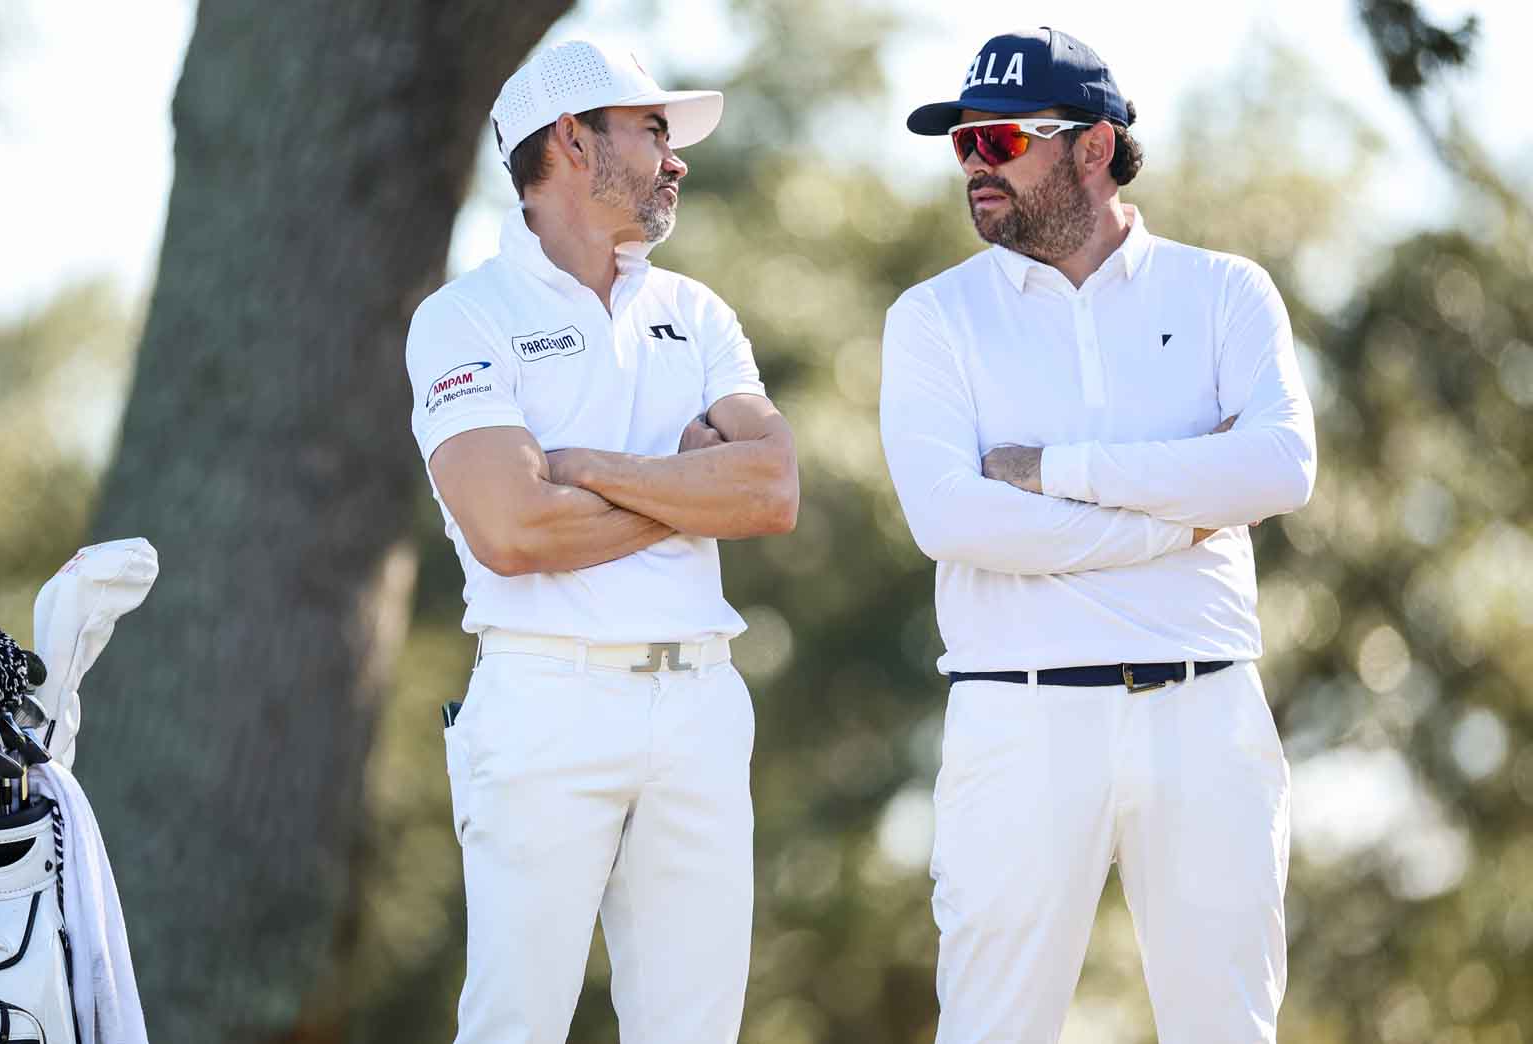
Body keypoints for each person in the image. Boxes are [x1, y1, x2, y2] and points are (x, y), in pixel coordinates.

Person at [879, 27, 1317, 1043]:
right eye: (962, 144)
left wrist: (1058, 472)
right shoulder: (931, 317)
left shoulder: (1224, 290)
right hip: (1015, 721)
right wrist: (1179, 520)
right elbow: (952, 519)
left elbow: (1277, 470)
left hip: (1208, 711)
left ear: (1092, 145)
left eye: (999, 140)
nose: (974, 167)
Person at [404, 38, 798, 1044]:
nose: (675, 160)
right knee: (514, 1027)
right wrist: (684, 483)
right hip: (544, 702)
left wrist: (589, 467)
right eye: (654, 131)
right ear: (574, 143)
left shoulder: (695, 310)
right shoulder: (462, 318)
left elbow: (769, 489)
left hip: (701, 700)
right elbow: (511, 527)